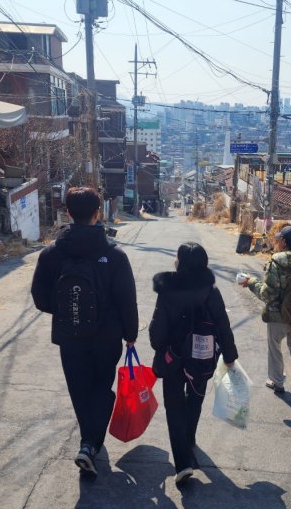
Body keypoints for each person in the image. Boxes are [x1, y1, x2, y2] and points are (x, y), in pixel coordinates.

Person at [31, 187, 138, 477]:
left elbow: (39, 297)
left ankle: (88, 442)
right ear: (97, 213)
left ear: (68, 213)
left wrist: (69, 309)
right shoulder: (114, 255)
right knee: (101, 388)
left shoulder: (51, 254)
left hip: (70, 335)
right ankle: (89, 444)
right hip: (107, 337)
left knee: (79, 389)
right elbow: (126, 298)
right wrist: (131, 334)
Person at [149, 242, 239, 486]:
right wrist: (230, 355)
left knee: (174, 407)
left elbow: (157, 333)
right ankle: (188, 441)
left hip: (173, 358)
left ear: (180, 262)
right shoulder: (211, 291)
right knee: (195, 399)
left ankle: (183, 462)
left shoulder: (168, 290)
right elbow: (223, 325)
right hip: (202, 358)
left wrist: (160, 347)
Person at [240, 225, 291, 412]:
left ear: (284, 242)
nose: (276, 241)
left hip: (278, 316)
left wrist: (251, 282)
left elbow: (268, 294)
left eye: (279, 239)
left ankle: (277, 382)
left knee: (275, 348)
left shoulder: (276, 262)